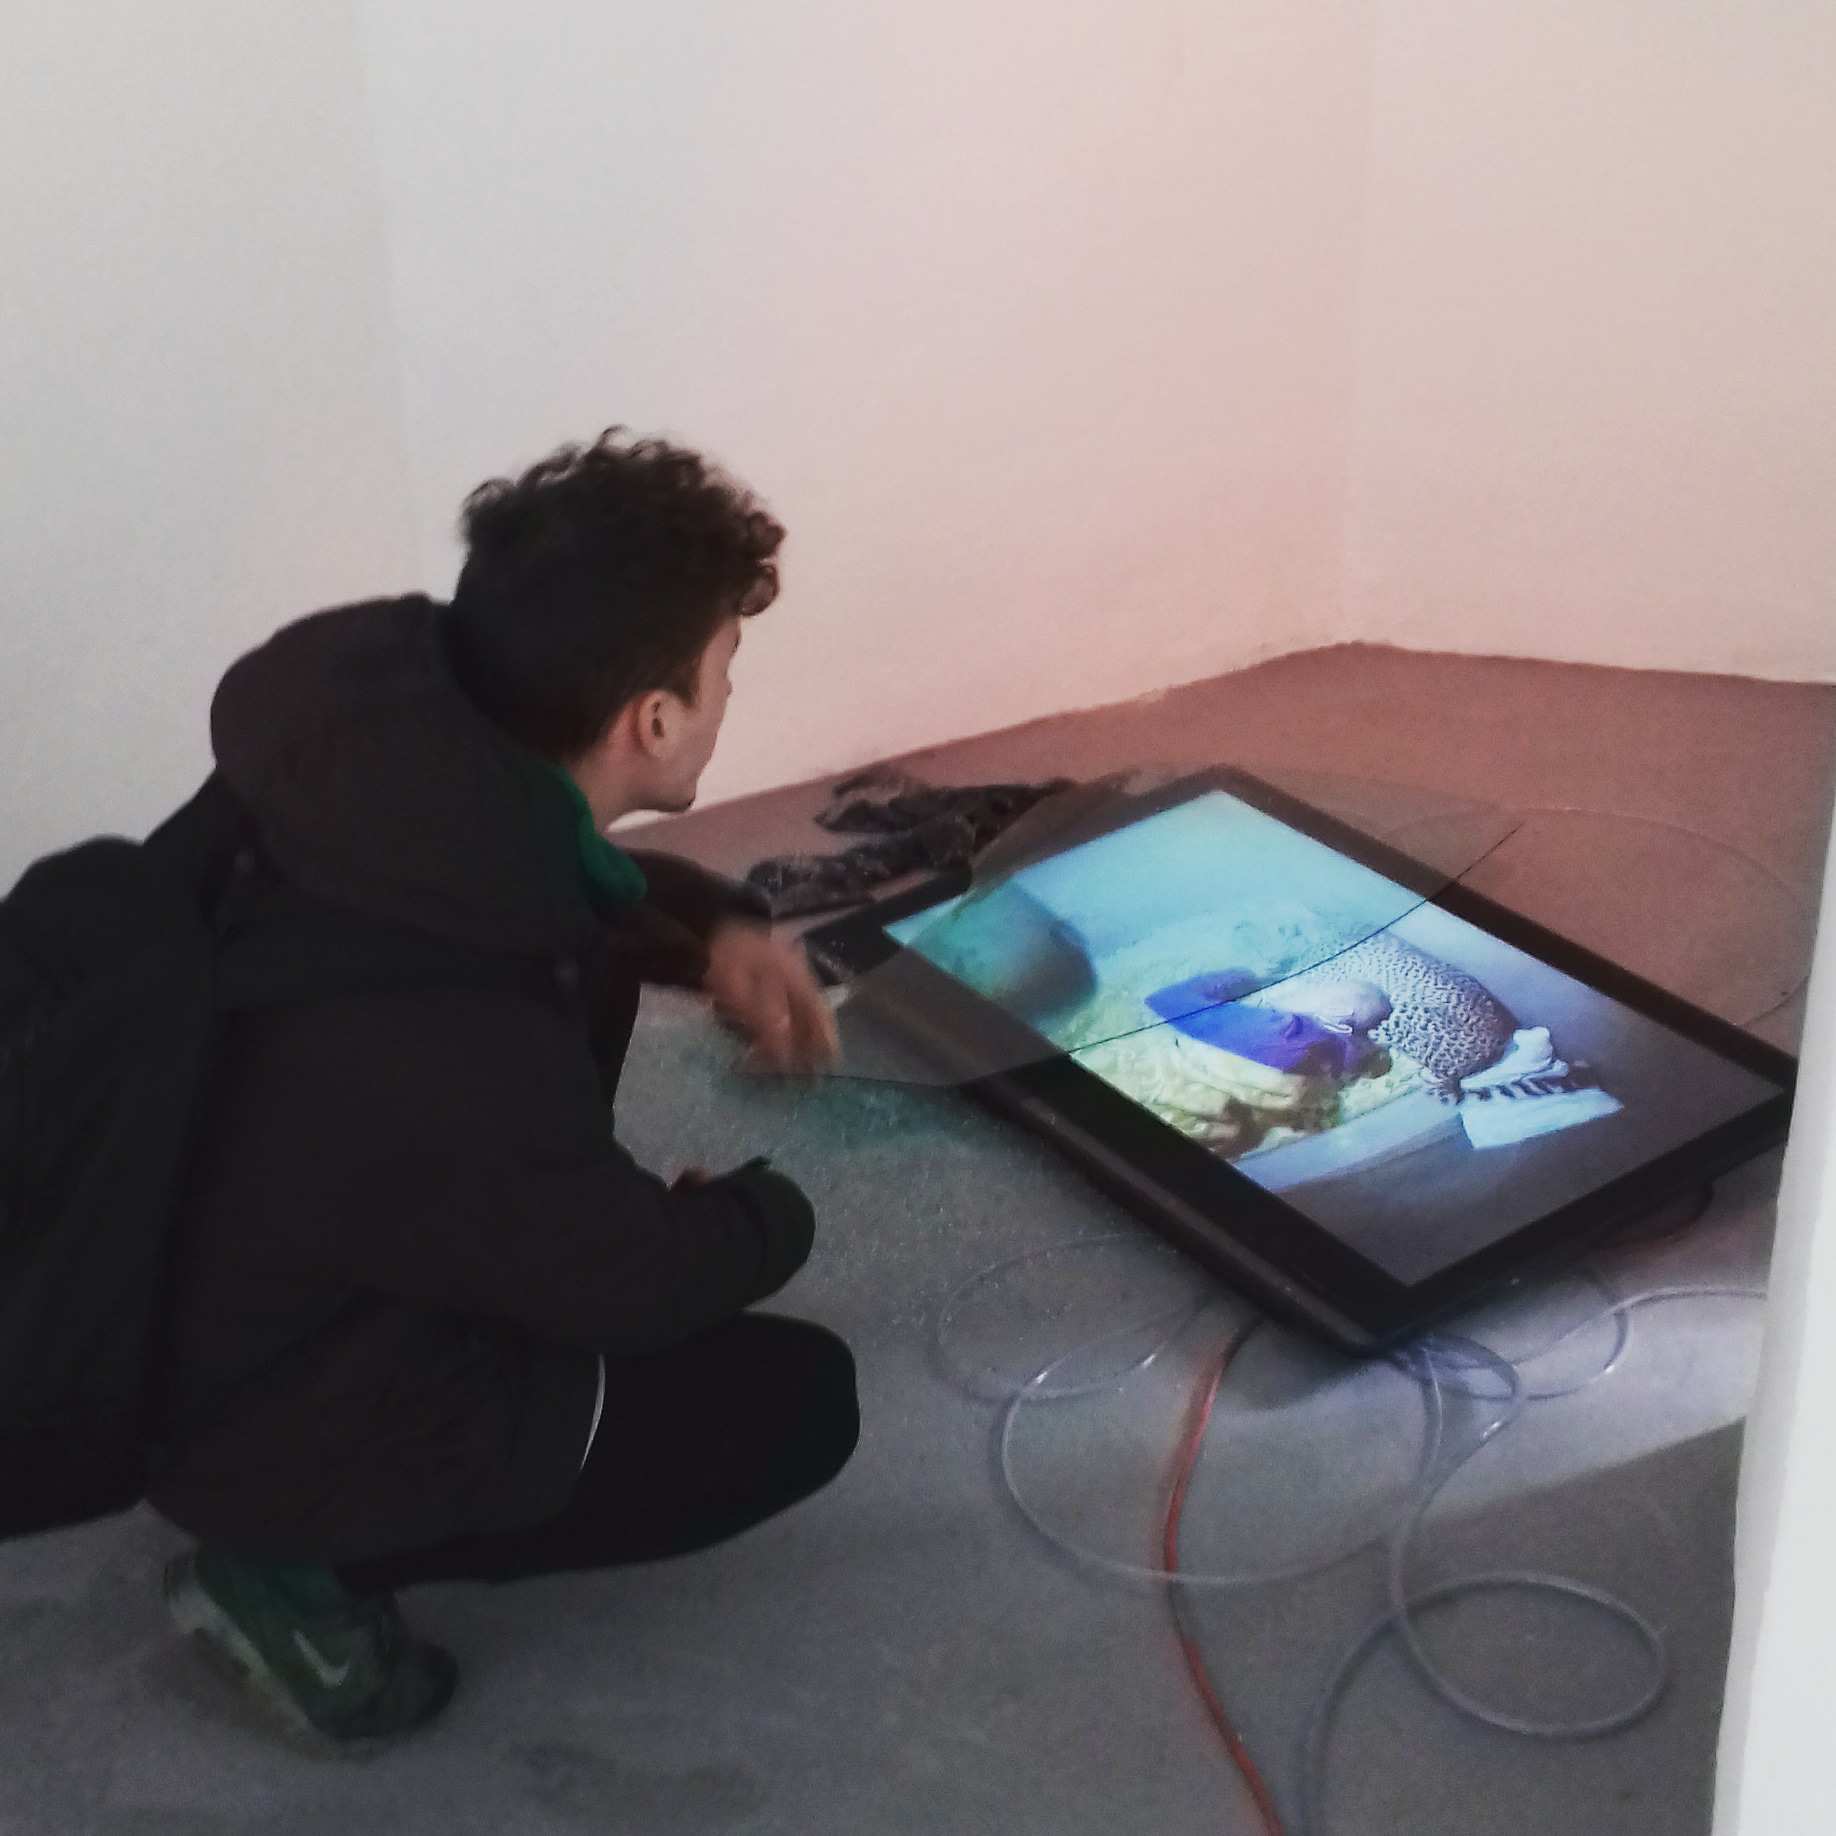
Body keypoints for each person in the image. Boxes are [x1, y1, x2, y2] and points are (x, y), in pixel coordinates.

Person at [147, 428, 857, 1749]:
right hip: (247, 1412)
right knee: (794, 1404)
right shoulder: (453, 1028)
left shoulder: (365, 773)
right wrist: (767, 1217)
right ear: (655, 719)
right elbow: (626, 1282)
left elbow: (552, 884)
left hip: (167, 1275)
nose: (725, 697)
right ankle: (290, 1571)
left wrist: (713, 929)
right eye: (724, 670)